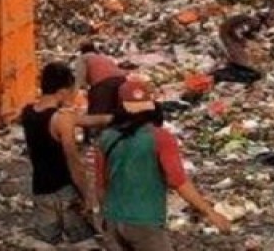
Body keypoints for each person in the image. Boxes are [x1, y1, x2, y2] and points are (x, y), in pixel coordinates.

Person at [97, 79, 231, 250]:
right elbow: (178, 181)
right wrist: (210, 213)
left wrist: (105, 216)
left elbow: (100, 185)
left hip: (114, 220)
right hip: (144, 222)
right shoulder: (160, 137)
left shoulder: (106, 137)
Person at [21, 61, 95, 245]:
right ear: (62, 91)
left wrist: (111, 118)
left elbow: (80, 120)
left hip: (40, 190)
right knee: (82, 242)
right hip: (64, 192)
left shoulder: (28, 113)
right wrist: (87, 195)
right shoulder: (60, 120)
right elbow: (74, 162)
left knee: (48, 242)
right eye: (71, 91)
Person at [212, 13, 272, 84]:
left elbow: (239, 33)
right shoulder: (250, 23)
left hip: (227, 33)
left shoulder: (248, 19)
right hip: (228, 35)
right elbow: (236, 33)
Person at [75, 41, 126, 117]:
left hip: (103, 84)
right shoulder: (104, 57)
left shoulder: (82, 58)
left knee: (96, 115)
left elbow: (80, 80)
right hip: (122, 81)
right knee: (117, 113)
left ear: (81, 51)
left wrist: (71, 97)